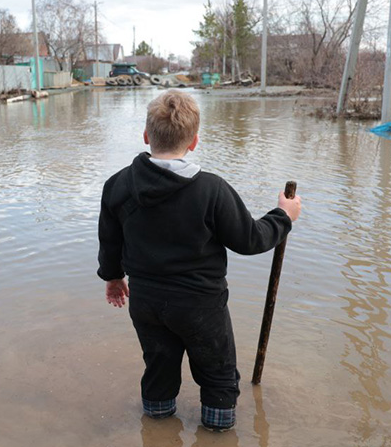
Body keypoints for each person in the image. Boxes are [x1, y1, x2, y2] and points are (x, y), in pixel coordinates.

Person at [97, 90, 301, 431]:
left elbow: (110, 239)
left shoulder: (118, 185)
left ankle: (158, 427)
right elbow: (250, 240)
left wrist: (114, 277)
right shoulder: (212, 190)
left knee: (159, 366)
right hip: (200, 305)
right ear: (194, 142)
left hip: (146, 300)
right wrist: (283, 216)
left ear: (146, 136)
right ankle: (218, 432)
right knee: (217, 372)